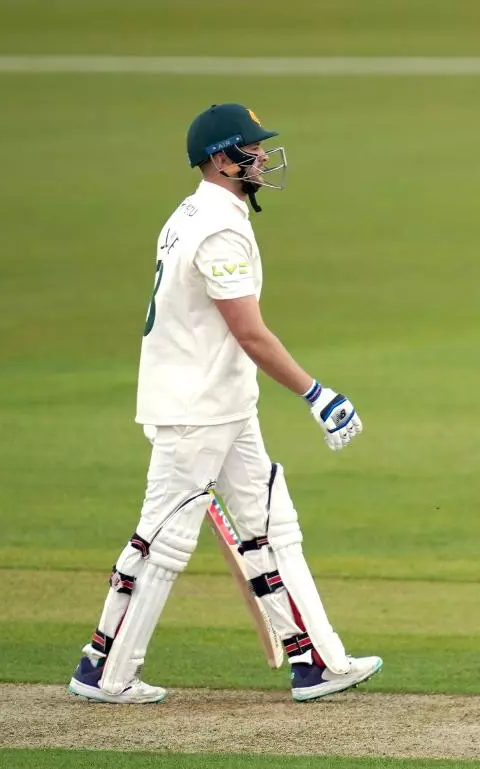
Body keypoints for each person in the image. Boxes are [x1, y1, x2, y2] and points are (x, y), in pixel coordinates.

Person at [67, 103, 381, 704]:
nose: (262, 157)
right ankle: (105, 670)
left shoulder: (196, 213)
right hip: (196, 410)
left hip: (224, 404)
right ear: (220, 158)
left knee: (270, 527)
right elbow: (250, 332)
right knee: (161, 541)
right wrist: (317, 395)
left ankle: (316, 659)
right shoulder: (217, 227)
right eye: (251, 149)